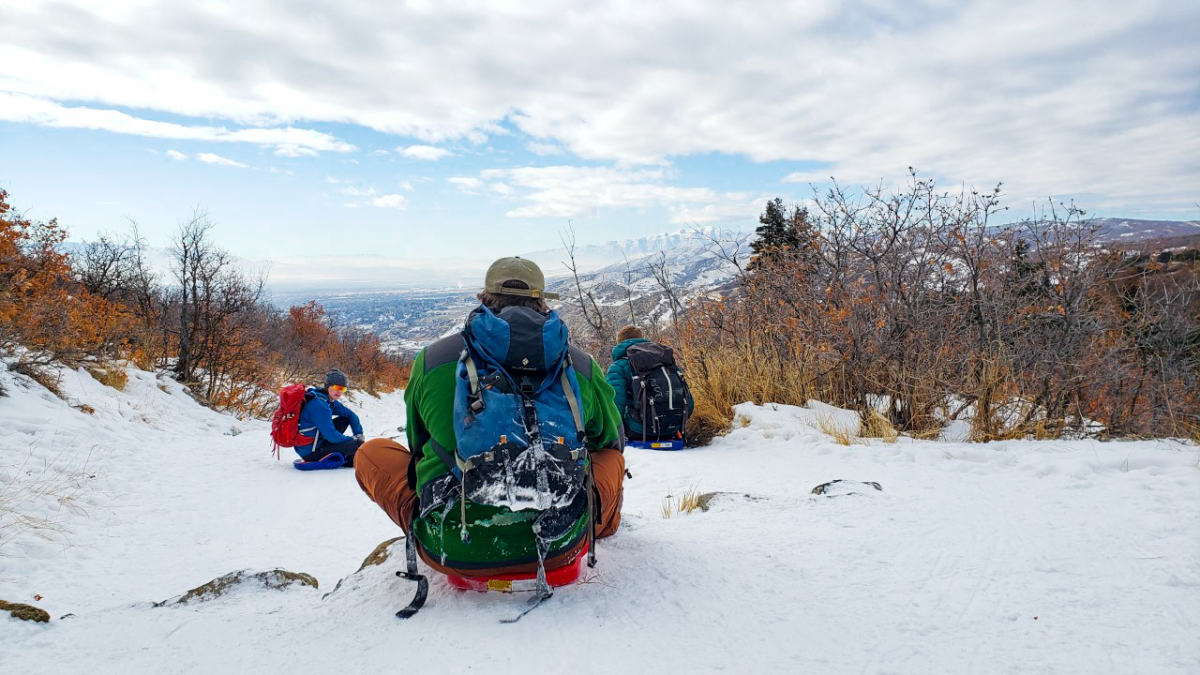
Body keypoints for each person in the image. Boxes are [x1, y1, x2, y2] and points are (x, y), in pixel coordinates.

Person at [356, 257, 625, 582]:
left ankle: (449, 524)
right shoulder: (580, 364)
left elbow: (418, 445)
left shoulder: (433, 360)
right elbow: (610, 439)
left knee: (370, 453)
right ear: (541, 302)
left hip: (455, 549)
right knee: (610, 457)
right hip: (560, 544)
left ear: (485, 299)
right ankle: (601, 524)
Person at [606, 325, 693, 444]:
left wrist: (611, 434)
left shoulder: (618, 365)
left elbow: (614, 403)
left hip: (639, 429)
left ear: (619, 343)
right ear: (642, 338)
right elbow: (688, 398)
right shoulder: (664, 359)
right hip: (673, 426)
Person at [295, 368, 364, 466]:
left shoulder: (327, 400)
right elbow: (331, 436)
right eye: (336, 387)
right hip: (310, 452)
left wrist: (359, 434)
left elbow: (351, 415)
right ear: (328, 386)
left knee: (345, 419)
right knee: (358, 445)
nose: (339, 391)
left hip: (317, 441)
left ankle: (350, 455)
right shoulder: (319, 404)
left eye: (343, 389)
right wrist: (353, 440)